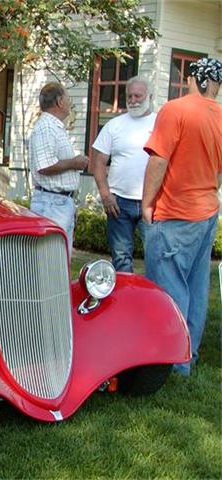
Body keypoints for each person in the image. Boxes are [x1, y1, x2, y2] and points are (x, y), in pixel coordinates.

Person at [142, 57, 222, 376]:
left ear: (193, 78)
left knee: (168, 286)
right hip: (207, 212)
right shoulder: (220, 117)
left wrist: (147, 203)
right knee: (196, 285)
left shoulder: (176, 110)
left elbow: (158, 160)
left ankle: (172, 361)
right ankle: (188, 354)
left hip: (175, 213)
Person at [92, 76, 156, 272]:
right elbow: (99, 162)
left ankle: (155, 301)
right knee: (121, 258)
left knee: (157, 256)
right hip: (119, 203)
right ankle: (125, 298)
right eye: (129, 96)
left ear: (150, 96)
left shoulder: (162, 122)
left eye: (138, 95)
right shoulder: (115, 125)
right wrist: (105, 194)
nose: (133, 100)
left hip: (153, 201)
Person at [28, 82, 89, 255]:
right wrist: (74, 163)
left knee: (60, 259)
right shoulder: (46, 127)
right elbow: (44, 166)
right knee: (52, 259)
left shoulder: (53, 127)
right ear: (60, 101)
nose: (71, 103)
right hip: (52, 204)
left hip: (58, 203)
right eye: (68, 98)